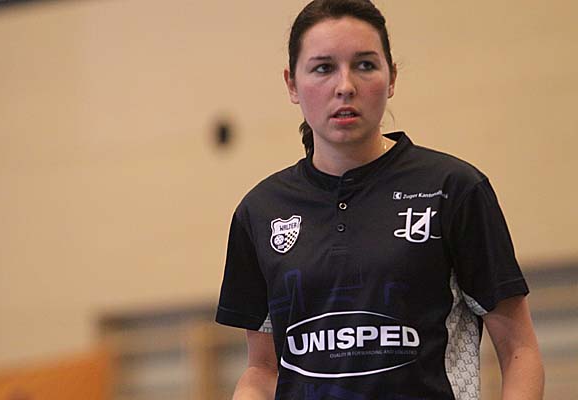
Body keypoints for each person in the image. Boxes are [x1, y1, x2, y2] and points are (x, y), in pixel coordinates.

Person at [216, 0, 544, 398]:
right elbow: (263, 369)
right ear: (291, 84)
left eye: (365, 65)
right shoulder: (260, 212)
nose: (345, 86)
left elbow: (519, 351)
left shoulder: (453, 189)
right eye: (323, 68)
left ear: (391, 78)